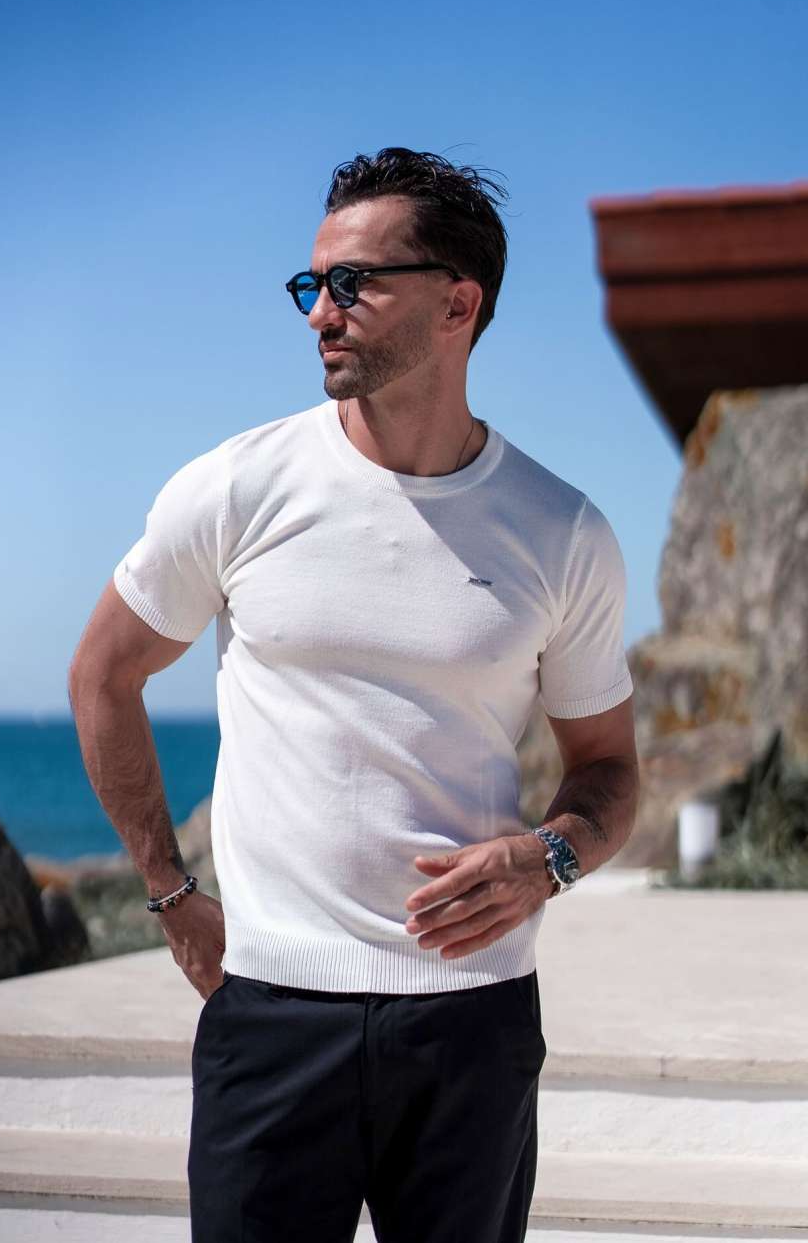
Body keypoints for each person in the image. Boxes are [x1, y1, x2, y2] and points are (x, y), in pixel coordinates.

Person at [69, 146, 639, 1243]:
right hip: (271, 1020)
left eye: (354, 283)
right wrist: (170, 894)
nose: (320, 313)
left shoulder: (562, 531)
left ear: (458, 303)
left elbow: (607, 768)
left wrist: (552, 857)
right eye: (312, 283)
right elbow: (103, 675)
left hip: (474, 1024)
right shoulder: (239, 487)